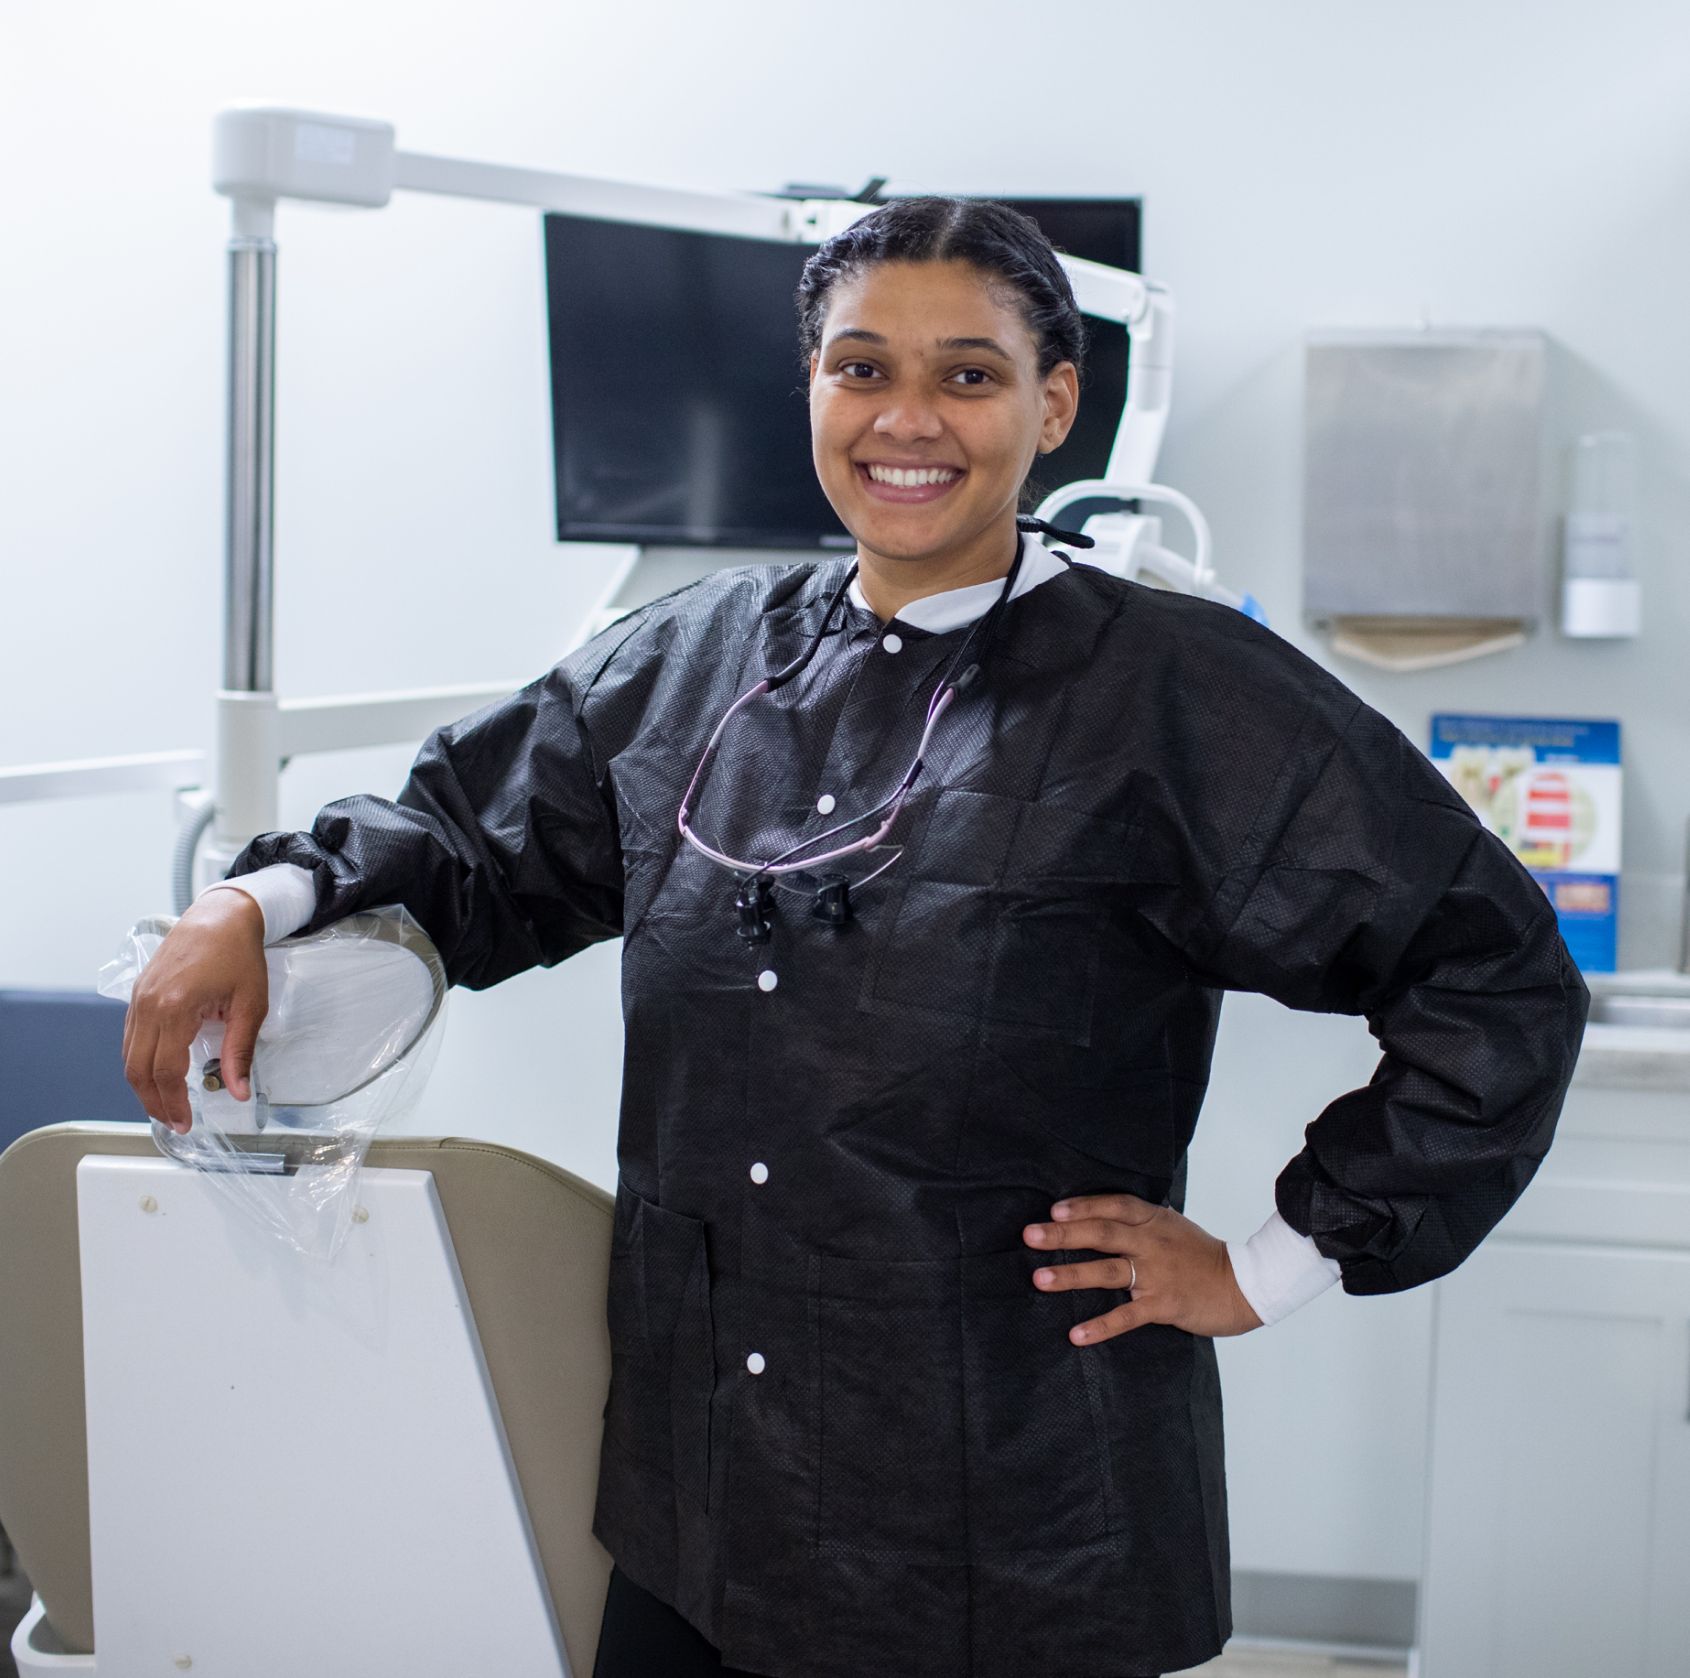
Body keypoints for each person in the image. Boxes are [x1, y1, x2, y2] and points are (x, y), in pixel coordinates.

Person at [122, 198, 1590, 1678]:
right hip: (706, 1501)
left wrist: (1271, 1261)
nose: (908, 419)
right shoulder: (692, 661)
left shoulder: (1175, 693)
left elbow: (1494, 974)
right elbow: (468, 837)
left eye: (967, 374)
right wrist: (254, 899)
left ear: (1056, 401)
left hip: (1009, 1526)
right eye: (859, 367)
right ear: (810, 389)